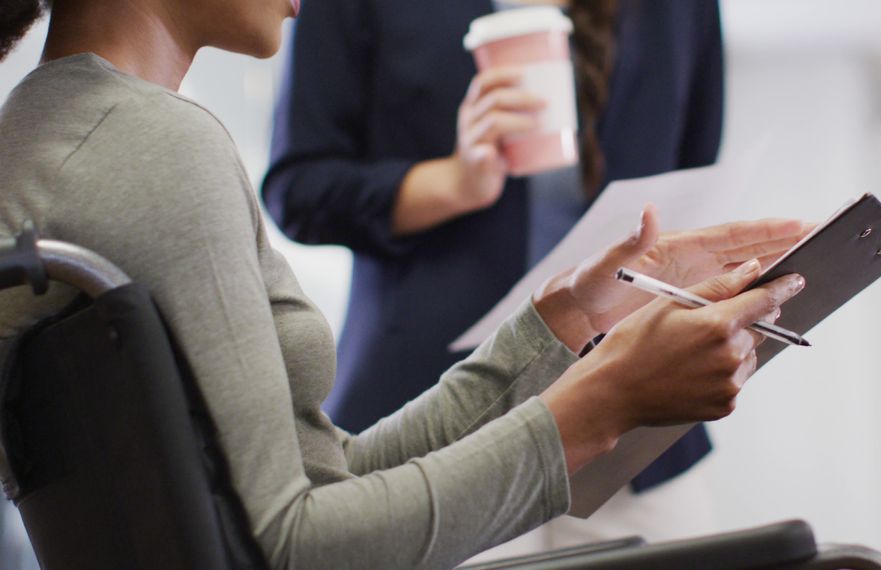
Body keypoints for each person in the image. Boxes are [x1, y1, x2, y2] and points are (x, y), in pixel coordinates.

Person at [0, 0, 807, 568]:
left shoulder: (63, 128)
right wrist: (603, 407)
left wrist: (556, 329)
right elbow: (294, 548)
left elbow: (326, 482)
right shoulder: (150, 149)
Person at [261, 0, 727, 539]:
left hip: (636, 429)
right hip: (431, 419)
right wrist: (453, 183)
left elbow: (692, 171)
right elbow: (298, 189)